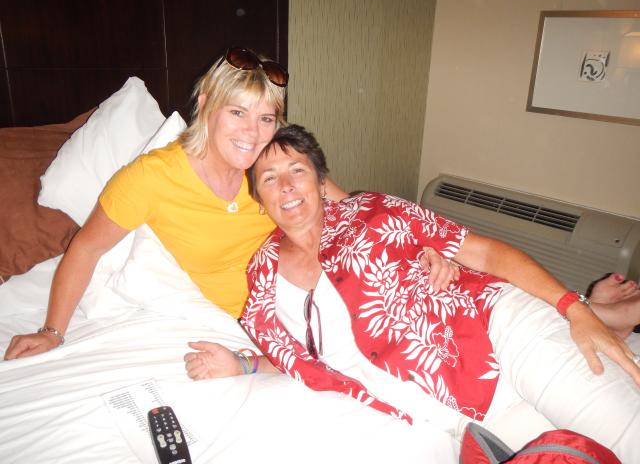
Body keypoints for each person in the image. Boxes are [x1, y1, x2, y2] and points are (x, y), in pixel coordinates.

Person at [184, 125, 640, 461]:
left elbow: (484, 253)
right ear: (259, 198)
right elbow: (303, 358)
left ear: (321, 182)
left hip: (503, 336)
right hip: (464, 416)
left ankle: (598, 313)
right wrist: (242, 364)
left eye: (297, 170)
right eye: (268, 177)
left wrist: (574, 310)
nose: (285, 186)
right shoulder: (262, 275)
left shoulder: (374, 211)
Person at [4, 48, 455, 361]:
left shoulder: (273, 160)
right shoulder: (151, 177)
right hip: (277, 318)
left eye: (266, 118)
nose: (253, 133)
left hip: (339, 281)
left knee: (450, 317)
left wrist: (416, 246)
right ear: (205, 105)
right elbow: (86, 249)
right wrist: (52, 332)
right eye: (237, 112)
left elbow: (349, 209)